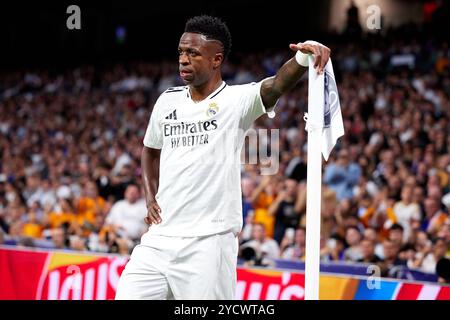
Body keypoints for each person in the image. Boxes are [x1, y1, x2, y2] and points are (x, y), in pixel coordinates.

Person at [115, 15, 331, 300]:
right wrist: (150, 197)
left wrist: (304, 58)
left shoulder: (236, 100)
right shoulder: (167, 100)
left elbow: (275, 85)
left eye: (193, 53)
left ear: (216, 60)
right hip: (158, 239)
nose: (183, 59)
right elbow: (150, 149)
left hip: (208, 243)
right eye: (181, 52)